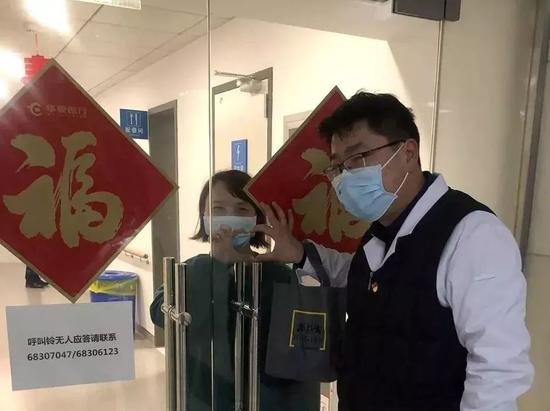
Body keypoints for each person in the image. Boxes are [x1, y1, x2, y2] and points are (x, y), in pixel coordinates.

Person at [253, 92, 534, 411]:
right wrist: (300, 253)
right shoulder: (379, 233)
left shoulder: (472, 234)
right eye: (338, 166)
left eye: (358, 157)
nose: (345, 177)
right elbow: (362, 277)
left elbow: (497, 370)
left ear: (408, 153)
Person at [150, 170, 319, 411]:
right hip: (204, 397)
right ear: (204, 216)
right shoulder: (189, 270)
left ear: (256, 218)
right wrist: (218, 264)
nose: (229, 217)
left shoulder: (277, 274)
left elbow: (298, 348)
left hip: (264, 399)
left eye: (241, 209)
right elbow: (160, 313)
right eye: (218, 209)